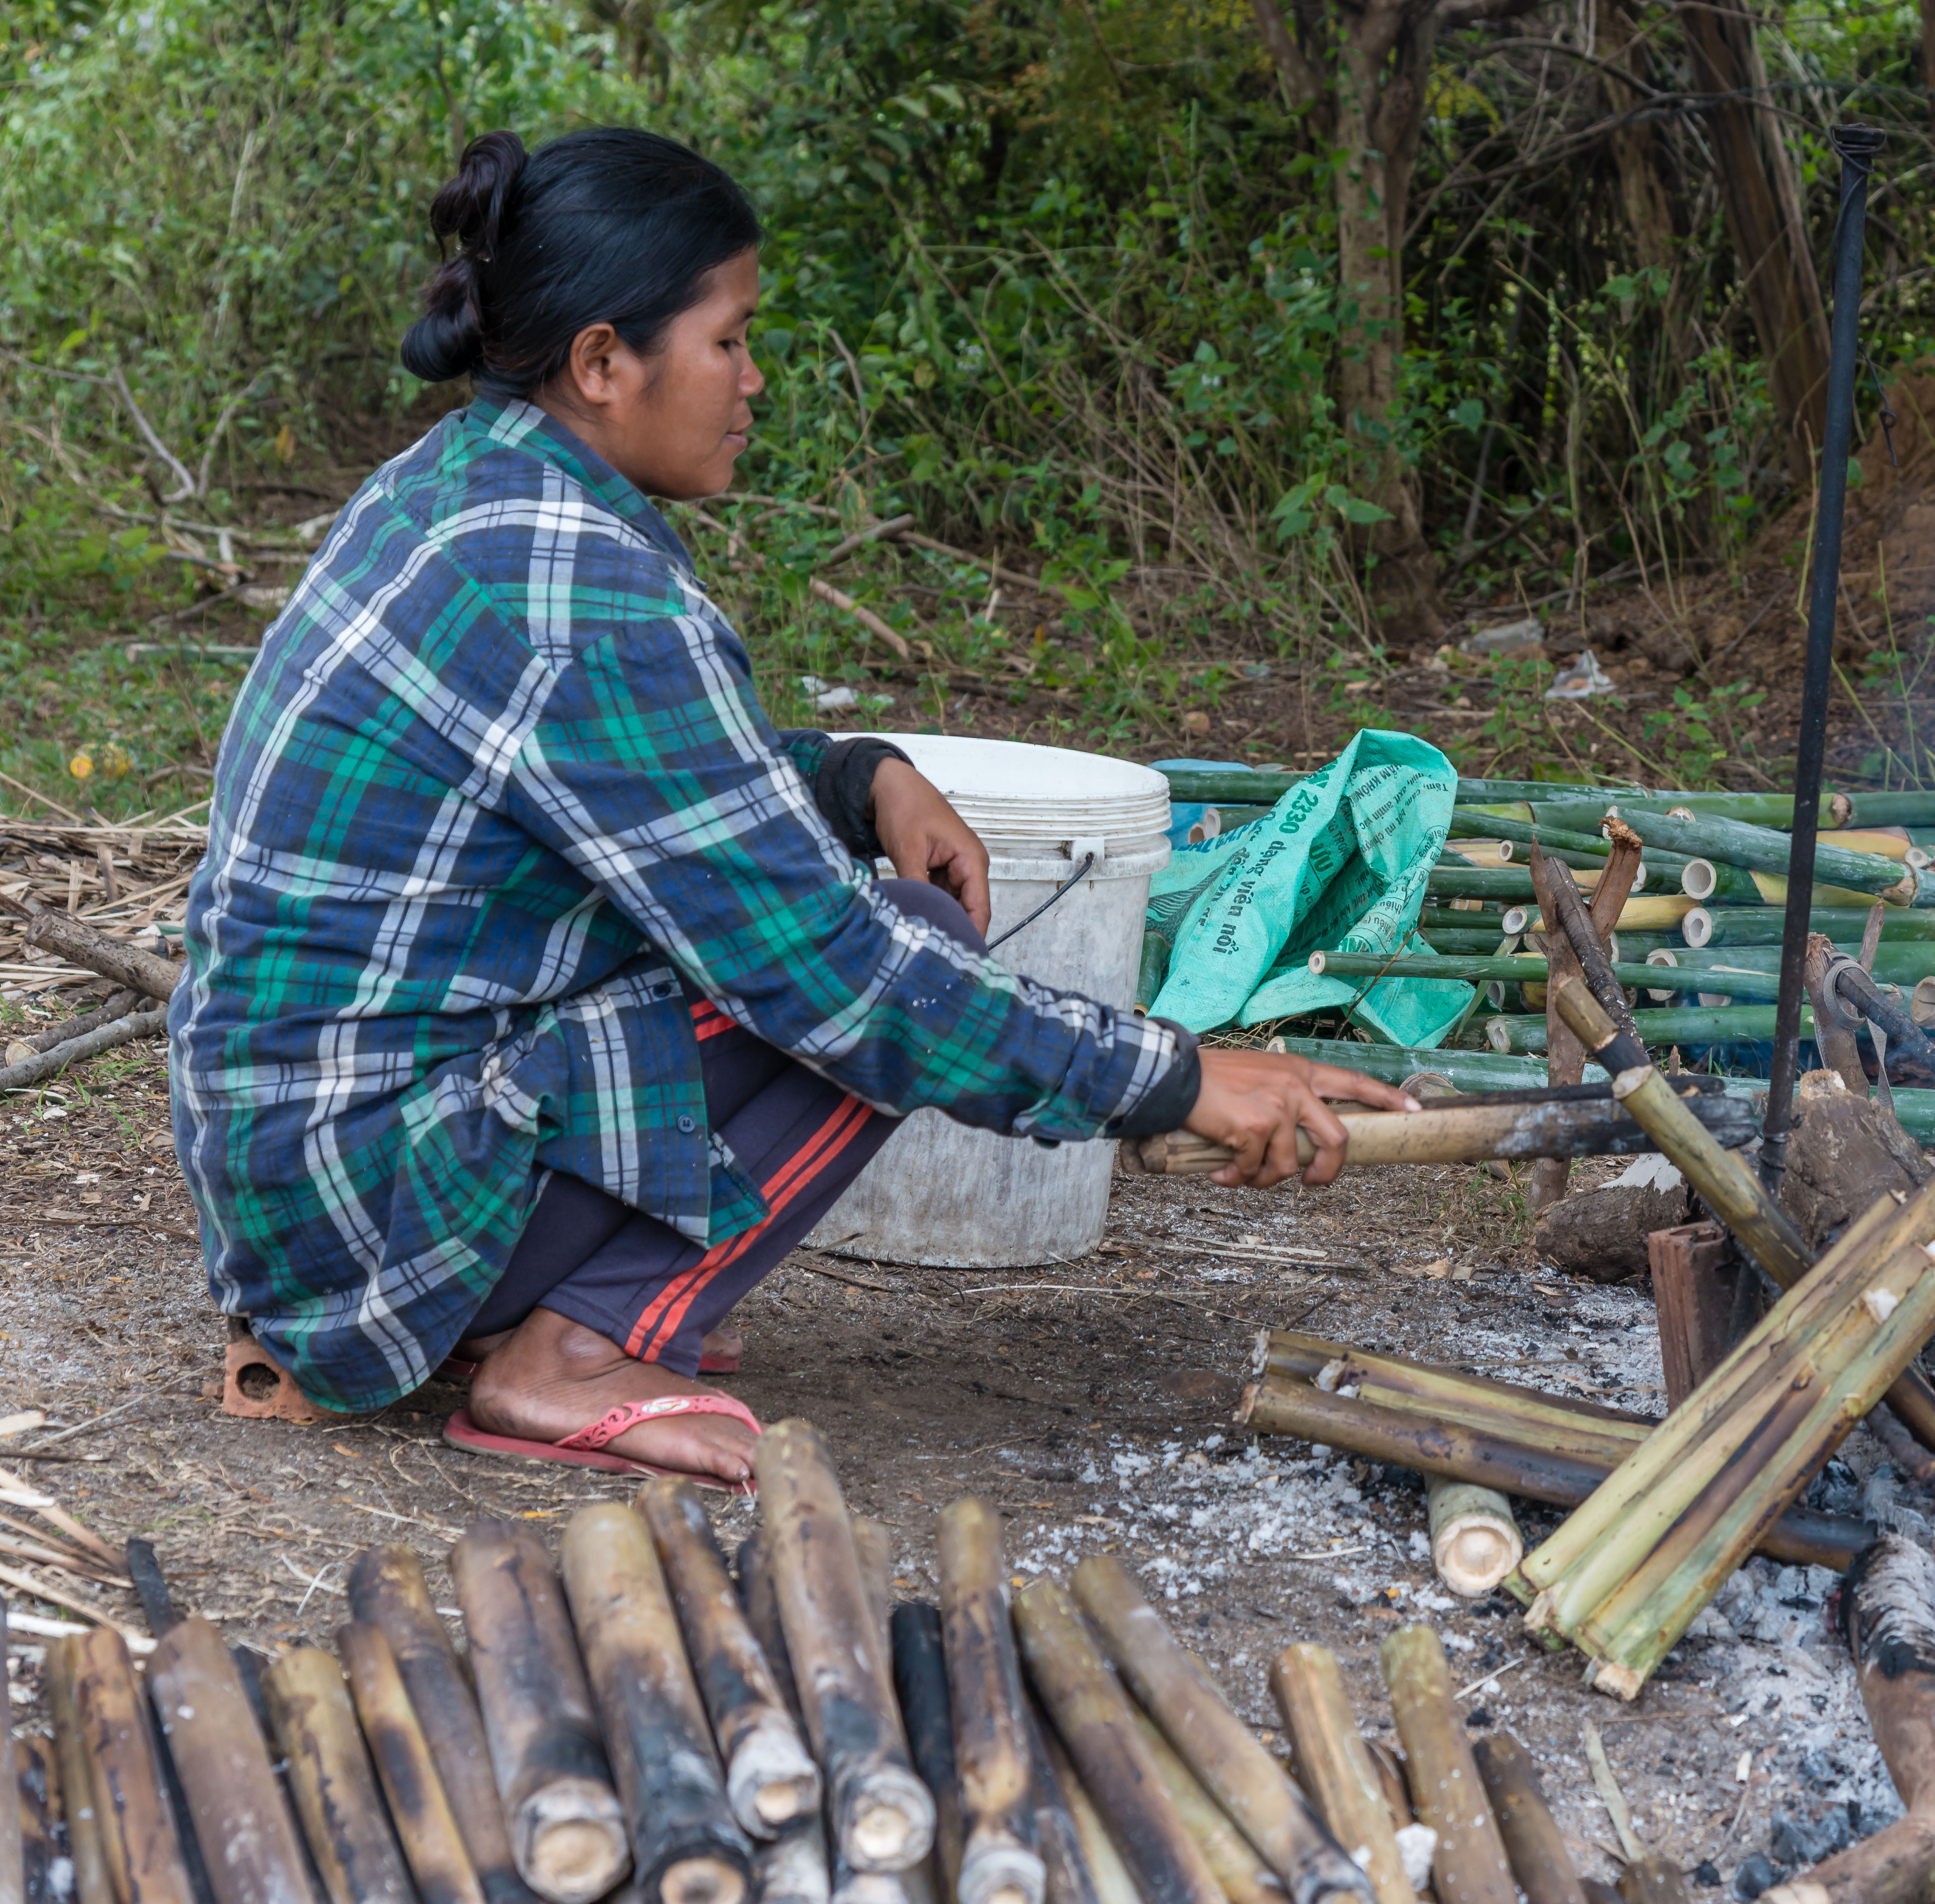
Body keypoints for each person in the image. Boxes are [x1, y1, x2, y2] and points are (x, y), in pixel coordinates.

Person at [168, 128, 1407, 1487]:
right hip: (362, 1223)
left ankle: (551, 1293)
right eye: (729, 341)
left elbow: (650, 786)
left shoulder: (469, 485)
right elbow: (850, 986)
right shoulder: (581, 584)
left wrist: (851, 774)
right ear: (601, 363)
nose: (754, 382)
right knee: (908, 952)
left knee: (852, 925)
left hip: (303, 1176)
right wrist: (1173, 1076)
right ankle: (567, 1350)